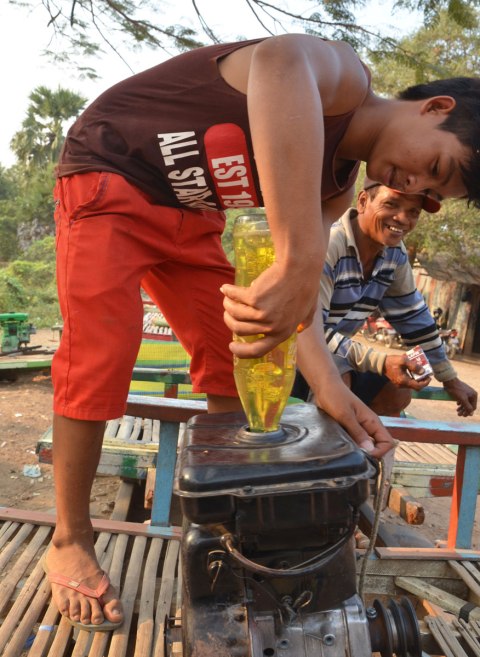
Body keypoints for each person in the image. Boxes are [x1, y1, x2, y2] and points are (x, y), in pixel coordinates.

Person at [47, 34, 480, 629]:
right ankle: (70, 538)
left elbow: (290, 314)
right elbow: (279, 61)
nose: (414, 186)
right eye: (433, 167)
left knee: (241, 355)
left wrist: (332, 391)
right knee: (102, 353)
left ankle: (229, 528)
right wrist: (302, 257)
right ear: (435, 108)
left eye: (430, 194)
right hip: (111, 173)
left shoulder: (334, 190)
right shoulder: (344, 78)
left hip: (191, 219)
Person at [293, 178, 478, 417]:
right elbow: (311, 332)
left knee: (397, 390)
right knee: (340, 376)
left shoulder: (394, 254)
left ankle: (368, 453)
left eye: (413, 212)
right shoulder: (329, 244)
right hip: (294, 351)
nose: (402, 218)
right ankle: (325, 451)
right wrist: (381, 361)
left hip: (337, 352)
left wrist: (449, 379)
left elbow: (414, 320)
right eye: (391, 204)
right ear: (362, 201)